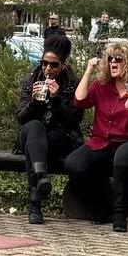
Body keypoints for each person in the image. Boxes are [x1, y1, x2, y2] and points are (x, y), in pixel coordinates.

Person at [64, 38, 128, 233]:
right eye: (110, 59)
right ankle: (104, 203)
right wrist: (88, 71)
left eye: (119, 59)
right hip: (103, 143)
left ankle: (120, 215)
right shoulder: (102, 86)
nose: (113, 63)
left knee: (124, 155)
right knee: (74, 164)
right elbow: (79, 101)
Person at [17, 32, 82, 226]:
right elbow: (20, 118)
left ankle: (35, 205)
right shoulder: (31, 80)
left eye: (54, 65)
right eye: (44, 63)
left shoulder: (73, 84)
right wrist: (33, 103)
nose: (47, 69)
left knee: (36, 145)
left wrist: (56, 100)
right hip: (32, 134)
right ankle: (41, 177)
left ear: (63, 65)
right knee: (34, 128)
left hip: (59, 137)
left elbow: (74, 120)